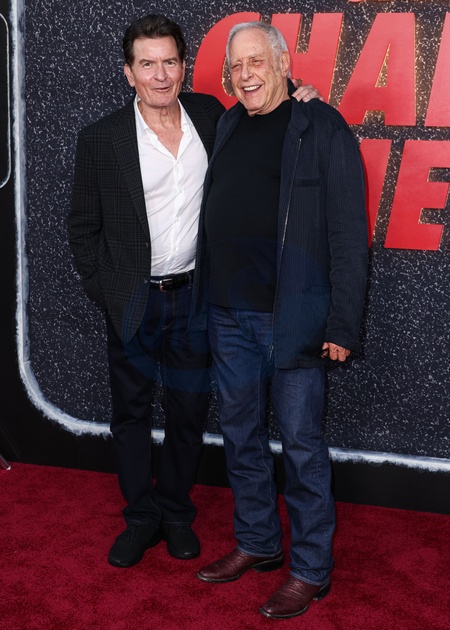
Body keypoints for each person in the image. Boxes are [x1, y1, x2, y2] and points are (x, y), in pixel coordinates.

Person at [68, 14, 319, 569]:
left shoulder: (212, 117)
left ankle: (177, 513)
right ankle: (141, 516)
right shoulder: (101, 140)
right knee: (132, 414)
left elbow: (269, 108)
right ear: (128, 72)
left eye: (170, 62)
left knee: (188, 410)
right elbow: (83, 229)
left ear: (184, 67)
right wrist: (110, 293)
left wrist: (302, 93)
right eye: (147, 64)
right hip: (133, 300)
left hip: (197, 297)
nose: (160, 75)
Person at [192, 22, 368, 619]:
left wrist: (342, 324)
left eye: (256, 61)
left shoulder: (322, 125)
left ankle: (312, 570)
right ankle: (259, 542)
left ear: (283, 63)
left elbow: (348, 232)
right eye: (236, 65)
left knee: (300, 444)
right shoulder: (229, 123)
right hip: (226, 315)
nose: (245, 74)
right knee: (241, 436)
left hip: (292, 318)